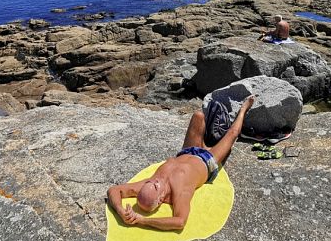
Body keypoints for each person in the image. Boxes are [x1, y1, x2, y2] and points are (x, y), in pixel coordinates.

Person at [107, 96, 255, 231]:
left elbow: (114, 190)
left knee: (198, 116)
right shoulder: (180, 192)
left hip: (187, 151)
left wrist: (120, 211)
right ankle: (243, 110)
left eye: (152, 182)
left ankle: (209, 137)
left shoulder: (149, 185)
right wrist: (143, 221)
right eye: (156, 186)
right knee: (232, 134)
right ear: (160, 200)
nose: (156, 180)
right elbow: (179, 221)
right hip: (207, 160)